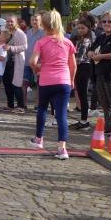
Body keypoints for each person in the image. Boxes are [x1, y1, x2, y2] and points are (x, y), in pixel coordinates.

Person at [28, 9, 76, 160]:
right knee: (61, 115)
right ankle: (62, 149)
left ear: (43, 25)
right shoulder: (67, 42)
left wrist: (37, 70)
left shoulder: (41, 42)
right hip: (63, 81)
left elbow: (32, 61)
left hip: (46, 80)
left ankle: (39, 139)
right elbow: (73, 65)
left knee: (42, 108)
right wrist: (72, 80)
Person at [0, 15, 28, 113]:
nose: (9, 23)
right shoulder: (6, 31)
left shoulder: (20, 33)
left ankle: (21, 106)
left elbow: (24, 46)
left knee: (16, 84)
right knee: (7, 84)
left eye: (11, 21)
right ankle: (10, 105)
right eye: (8, 21)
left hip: (16, 62)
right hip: (6, 62)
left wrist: (11, 48)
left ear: (16, 22)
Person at [24, 12, 44, 100]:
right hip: (27, 62)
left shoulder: (44, 32)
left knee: (39, 84)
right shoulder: (28, 32)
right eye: (32, 20)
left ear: (41, 21)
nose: (34, 21)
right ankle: (23, 104)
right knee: (24, 82)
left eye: (36, 20)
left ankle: (38, 104)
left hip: (38, 63)